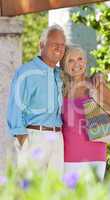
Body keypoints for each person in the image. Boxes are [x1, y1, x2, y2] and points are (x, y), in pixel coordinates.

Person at [6, 24, 101, 175]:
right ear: (41, 45)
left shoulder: (59, 74)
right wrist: (24, 141)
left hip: (58, 139)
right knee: (31, 190)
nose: (59, 48)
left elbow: (78, 76)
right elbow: (14, 111)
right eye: (54, 44)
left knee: (53, 190)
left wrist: (98, 76)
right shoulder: (27, 72)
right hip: (34, 137)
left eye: (62, 45)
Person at [60, 45, 110, 180]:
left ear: (85, 62)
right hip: (67, 157)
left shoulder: (96, 85)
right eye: (70, 60)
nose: (77, 64)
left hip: (94, 156)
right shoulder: (61, 89)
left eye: (80, 59)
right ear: (63, 64)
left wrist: (98, 101)